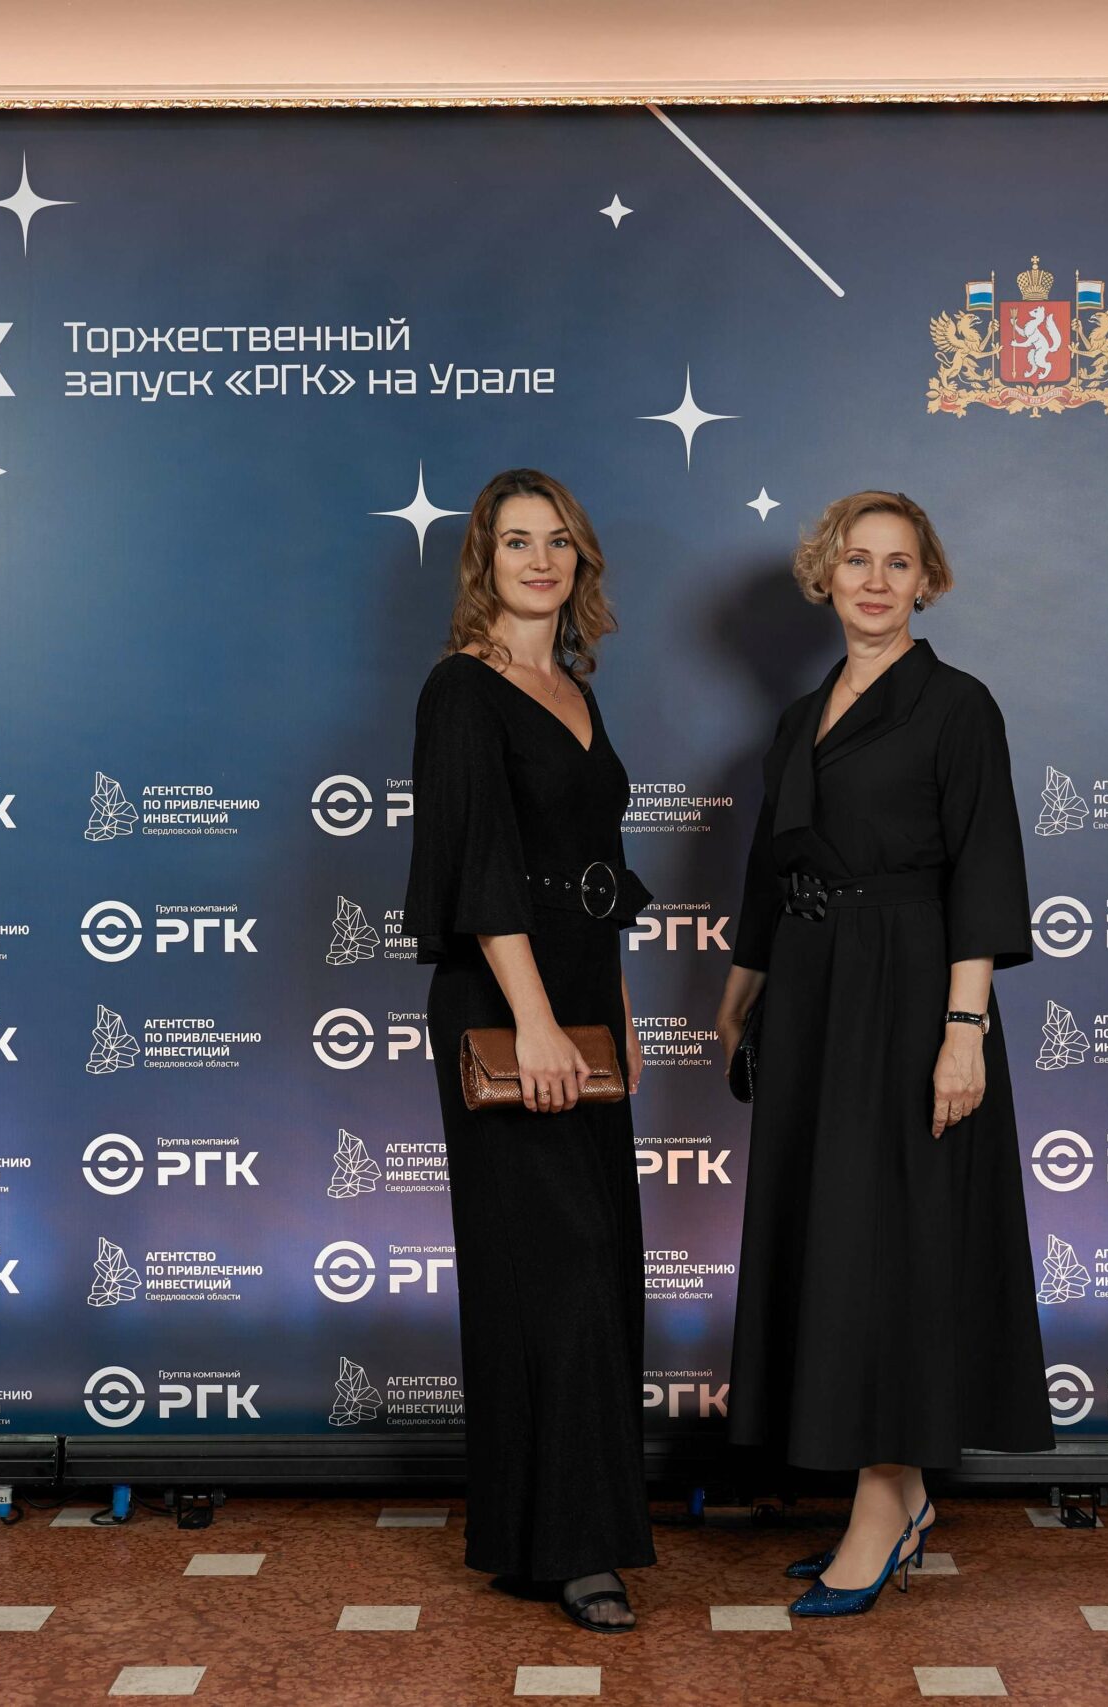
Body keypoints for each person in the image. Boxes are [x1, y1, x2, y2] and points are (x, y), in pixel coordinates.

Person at [713, 490, 1052, 1618]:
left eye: (896, 563)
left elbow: (983, 869)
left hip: (911, 993)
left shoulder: (958, 706)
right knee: (840, 1241)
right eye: (855, 560)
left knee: (897, 1244)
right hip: (812, 997)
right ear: (825, 575)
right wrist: (741, 989)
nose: (873, 580)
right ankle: (901, 1498)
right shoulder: (798, 717)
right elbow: (772, 867)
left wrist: (964, 1029)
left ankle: (880, 1502)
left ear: (927, 583)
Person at [403, 468, 655, 1633]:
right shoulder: (462, 690)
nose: (540, 559)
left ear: (580, 559)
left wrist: (616, 1007)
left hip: (580, 987)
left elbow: (597, 869)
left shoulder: (575, 687)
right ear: (483, 561)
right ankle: (578, 1550)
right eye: (517, 542)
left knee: (588, 1269)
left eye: (558, 540)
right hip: (505, 995)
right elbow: (480, 866)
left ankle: (529, 1535)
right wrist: (537, 1021)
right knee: (556, 1272)